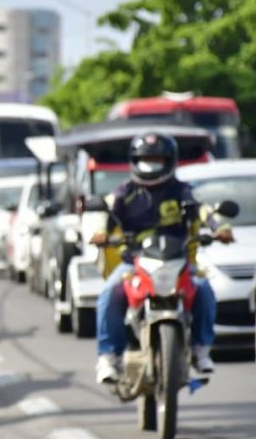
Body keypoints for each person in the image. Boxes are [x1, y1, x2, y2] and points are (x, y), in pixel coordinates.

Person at [89, 132, 233, 385]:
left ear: (169, 161)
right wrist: (99, 233)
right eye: (146, 159)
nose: (151, 165)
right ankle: (108, 357)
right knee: (109, 294)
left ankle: (201, 350)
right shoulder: (124, 193)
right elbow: (105, 213)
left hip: (178, 262)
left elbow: (205, 211)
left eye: (157, 159)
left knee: (203, 289)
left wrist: (219, 228)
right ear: (135, 161)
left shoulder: (183, 191)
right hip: (133, 262)